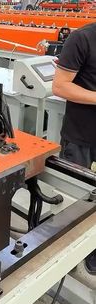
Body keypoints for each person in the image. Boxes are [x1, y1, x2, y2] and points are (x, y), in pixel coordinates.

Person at [53, 22, 96, 275]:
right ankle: (65, 256)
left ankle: (92, 251)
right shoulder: (82, 39)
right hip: (81, 136)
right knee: (74, 199)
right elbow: (60, 86)